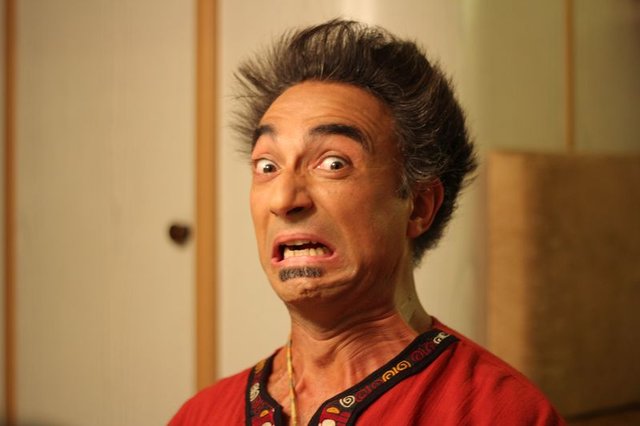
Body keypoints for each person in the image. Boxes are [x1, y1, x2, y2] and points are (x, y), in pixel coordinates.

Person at [170, 19, 564, 425]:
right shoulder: (201, 416)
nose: (284, 200)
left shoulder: (501, 412)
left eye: (333, 163)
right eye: (267, 166)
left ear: (419, 206)